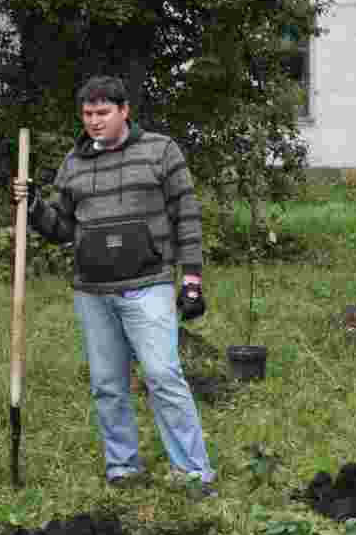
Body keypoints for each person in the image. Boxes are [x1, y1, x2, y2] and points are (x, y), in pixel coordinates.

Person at [12, 75, 216, 498]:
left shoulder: (161, 150)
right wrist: (33, 207)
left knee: (162, 375)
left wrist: (192, 279)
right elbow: (63, 228)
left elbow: (188, 215)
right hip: (93, 291)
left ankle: (194, 472)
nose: (94, 121)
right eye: (87, 114)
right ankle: (122, 467)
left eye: (102, 112)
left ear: (125, 111)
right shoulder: (74, 163)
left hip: (149, 285)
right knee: (107, 384)